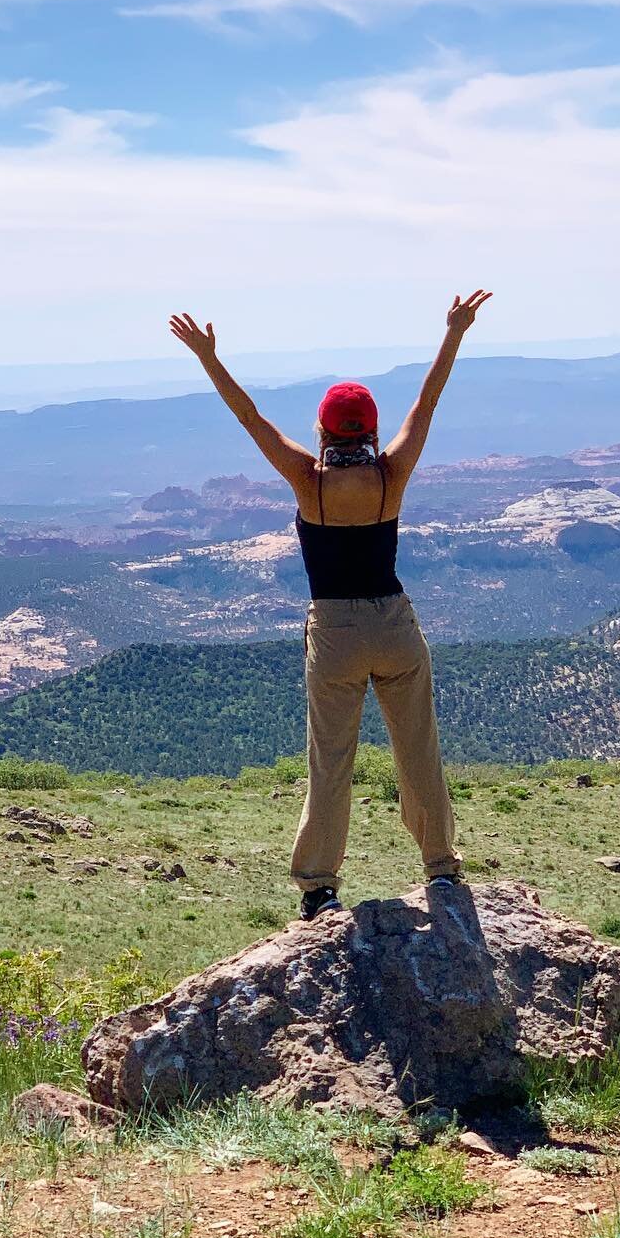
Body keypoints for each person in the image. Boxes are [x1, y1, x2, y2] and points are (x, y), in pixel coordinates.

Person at [169, 292, 492, 920]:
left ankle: (318, 885)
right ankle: (441, 871)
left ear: (322, 430)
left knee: (330, 762)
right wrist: (454, 332)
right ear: (370, 432)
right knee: (418, 752)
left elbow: (251, 419)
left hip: (336, 634)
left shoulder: (308, 482)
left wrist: (209, 359)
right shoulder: (390, 476)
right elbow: (427, 402)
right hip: (394, 624)